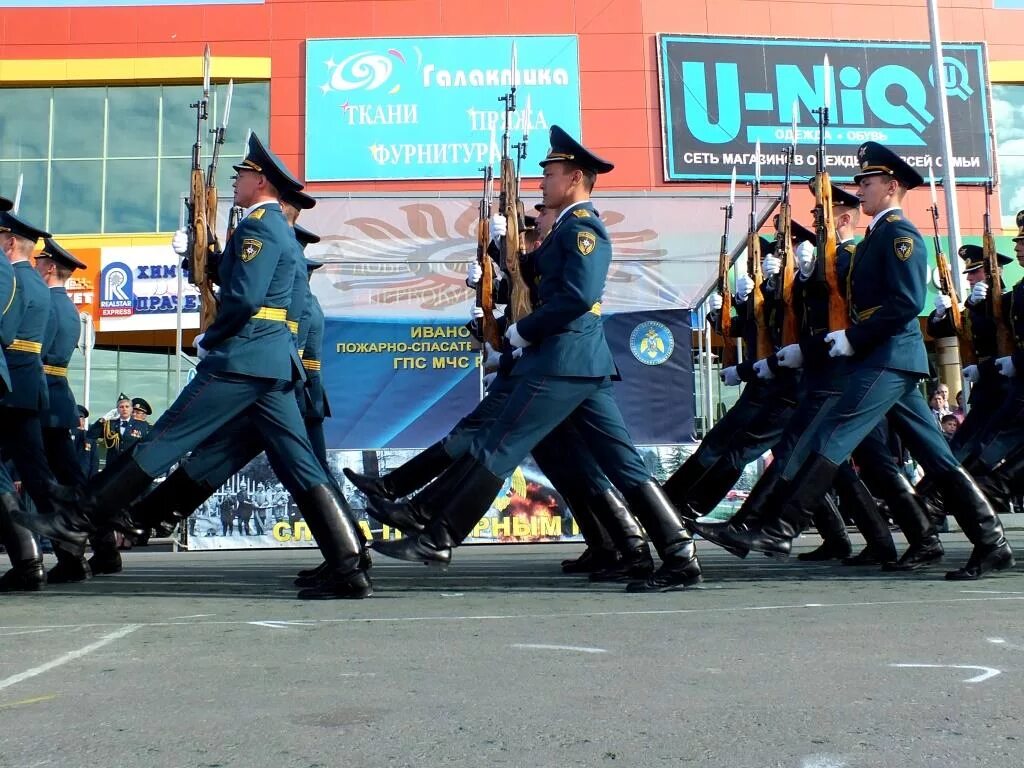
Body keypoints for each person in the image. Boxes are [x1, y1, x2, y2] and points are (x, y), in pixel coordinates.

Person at [16, 133, 372, 600]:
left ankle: (79, 517)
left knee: (168, 436)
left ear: (260, 181)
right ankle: (349, 566)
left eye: (242, 174)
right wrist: (204, 255)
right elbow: (241, 279)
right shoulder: (270, 228)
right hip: (269, 364)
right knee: (299, 464)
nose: (236, 181)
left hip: (242, 357)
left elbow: (244, 297)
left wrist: (213, 338)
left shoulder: (261, 226)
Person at [371, 125, 700, 592]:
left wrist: (522, 331)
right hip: (577, 363)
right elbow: (536, 282)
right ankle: (679, 556)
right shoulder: (565, 228)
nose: (542, 182)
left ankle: (438, 535)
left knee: (500, 444)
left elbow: (576, 297)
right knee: (624, 465)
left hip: (562, 361)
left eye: (551, 173)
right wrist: (500, 256)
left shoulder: (583, 228)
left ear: (576, 178)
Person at [702, 141, 1013, 581]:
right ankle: (990, 543)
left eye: (866, 182)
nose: (860, 189)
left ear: (890, 185)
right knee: (938, 457)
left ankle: (781, 528)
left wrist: (853, 337)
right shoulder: (877, 236)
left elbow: (905, 304)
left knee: (833, 435)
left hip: (888, 356)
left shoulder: (900, 235)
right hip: (883, 356)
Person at [33, 237, 94, 584]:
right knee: (70, 479)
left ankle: (68, 555)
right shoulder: (66, 306)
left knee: (47, 480)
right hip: (58, 398)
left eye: (42, 261)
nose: (38, 265)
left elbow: (35, 352)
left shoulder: (50, 304)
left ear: (51, 267)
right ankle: (90, 549)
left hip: (44, 397)